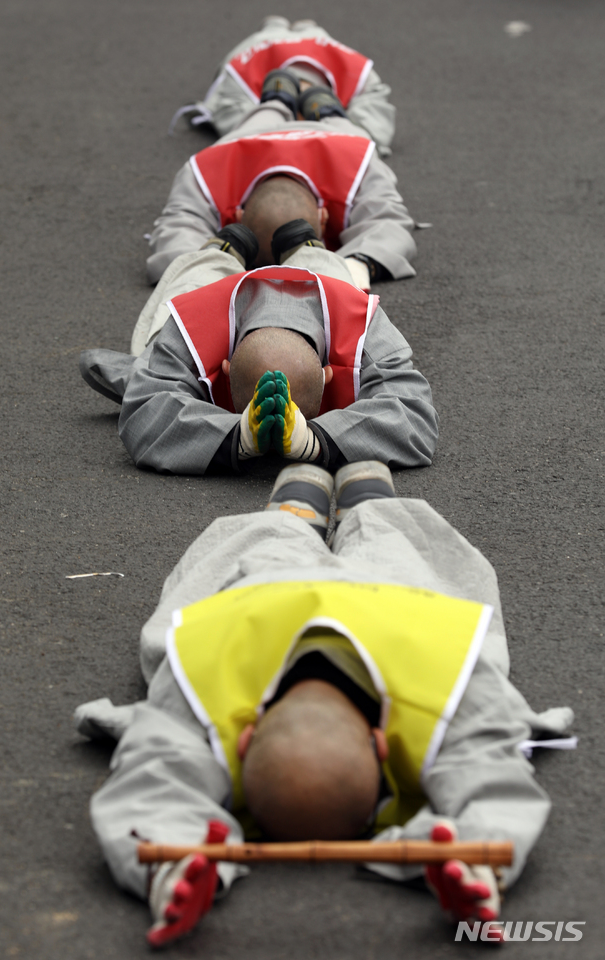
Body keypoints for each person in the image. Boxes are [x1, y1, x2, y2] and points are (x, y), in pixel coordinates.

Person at [75, 461, 575, 947]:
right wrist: (473, 860)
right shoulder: (450, 689)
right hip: (293, 599)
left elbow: (153, 784)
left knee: (307, 557)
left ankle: (317, 515)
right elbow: (491, 775)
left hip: (347, 599)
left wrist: (170, 863)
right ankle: (344, 510)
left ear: (244, 739)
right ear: (380, 745)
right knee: (394, 556)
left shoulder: (201, 686)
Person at [79, 241, 438, 476]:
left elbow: (416, 415)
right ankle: (220, 250)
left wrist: (315, 440)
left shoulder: (365, 326)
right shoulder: (189, 326)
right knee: (197, 270)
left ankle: (308, 248)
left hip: (322, 291)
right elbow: (143, 410)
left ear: (328, 375)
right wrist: (240, 436)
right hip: (216, 299)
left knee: (324, 267)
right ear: (224, 370)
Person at [146, 77, 417, 287]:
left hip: (323, 136)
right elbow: (389, 222)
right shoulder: (202, 170)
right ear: (323, 217)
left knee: (320, 118)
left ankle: (295, 102)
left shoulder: (202, 170)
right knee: (289, 117)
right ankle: (290, 101)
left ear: (238, 219)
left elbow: (175, 234)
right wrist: (358, 264)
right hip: (267, 137)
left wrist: (210, 269)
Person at [175, 16, 397, 157]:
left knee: (284, 27)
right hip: (281, 49)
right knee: (287, 26)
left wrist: (274, 107)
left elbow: (237, 124)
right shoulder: (358, 75)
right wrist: (333, 118)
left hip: (267, 47)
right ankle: (281, 26)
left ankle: (281, 27)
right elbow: (371, 134)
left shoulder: (358, 73)